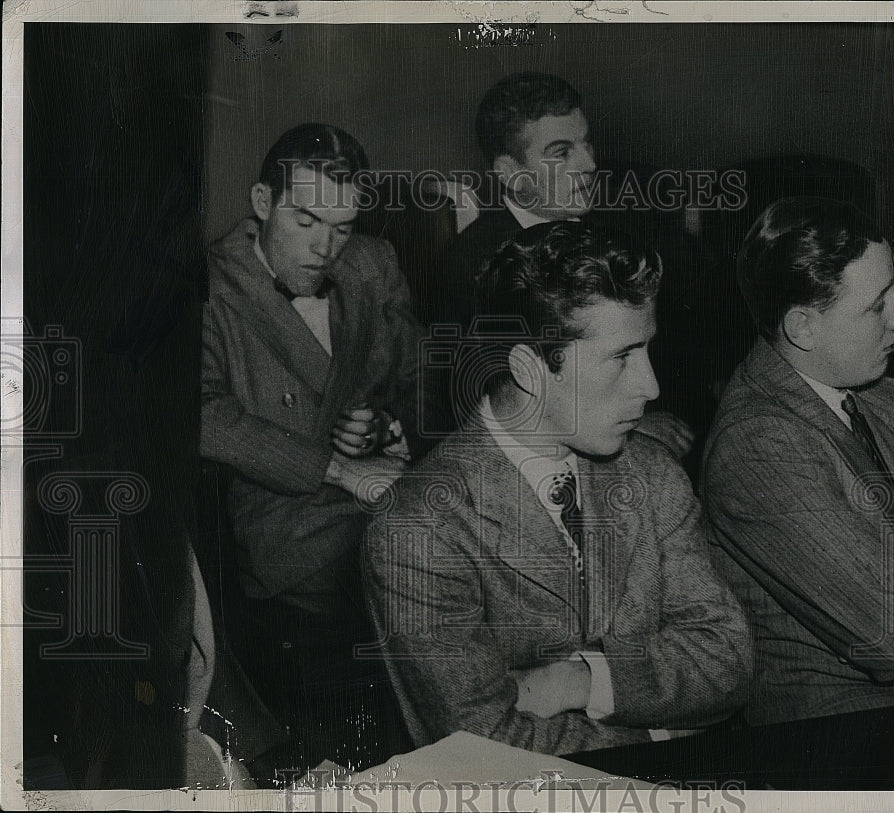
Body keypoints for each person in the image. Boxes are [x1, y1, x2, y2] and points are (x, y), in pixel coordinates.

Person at [364, 221, 750, 755]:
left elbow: (727, 660)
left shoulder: (652, 472)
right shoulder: (419, 528)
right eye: (622, 357)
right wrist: (663, 728)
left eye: (647, 350)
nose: (651, 385)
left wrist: (582, 681)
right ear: (529, 369)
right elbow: (487, 747)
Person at [702, 196, 894, 726]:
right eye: (877, 304)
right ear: (802, 328)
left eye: (893, 287)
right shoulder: (758, 448)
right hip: (848, 735)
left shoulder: (882, 397)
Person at [200, 123, 422, 765]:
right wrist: (337, 467)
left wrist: (387, 423)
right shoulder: (210, 287)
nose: (326, 247)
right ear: (262, 202)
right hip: (290, 537)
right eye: (306, 220)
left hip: (390, 506)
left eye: (343, 227)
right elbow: (205, 415)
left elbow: (421, 377)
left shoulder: (373, 265)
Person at [431, 71, 694, 458]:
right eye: (561, 152)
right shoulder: (472, 266)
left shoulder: (630, 223)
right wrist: (636, 423)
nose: (588, 164)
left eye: (586, 142)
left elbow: (683, 344)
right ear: (511, 173)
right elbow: (489, 405)